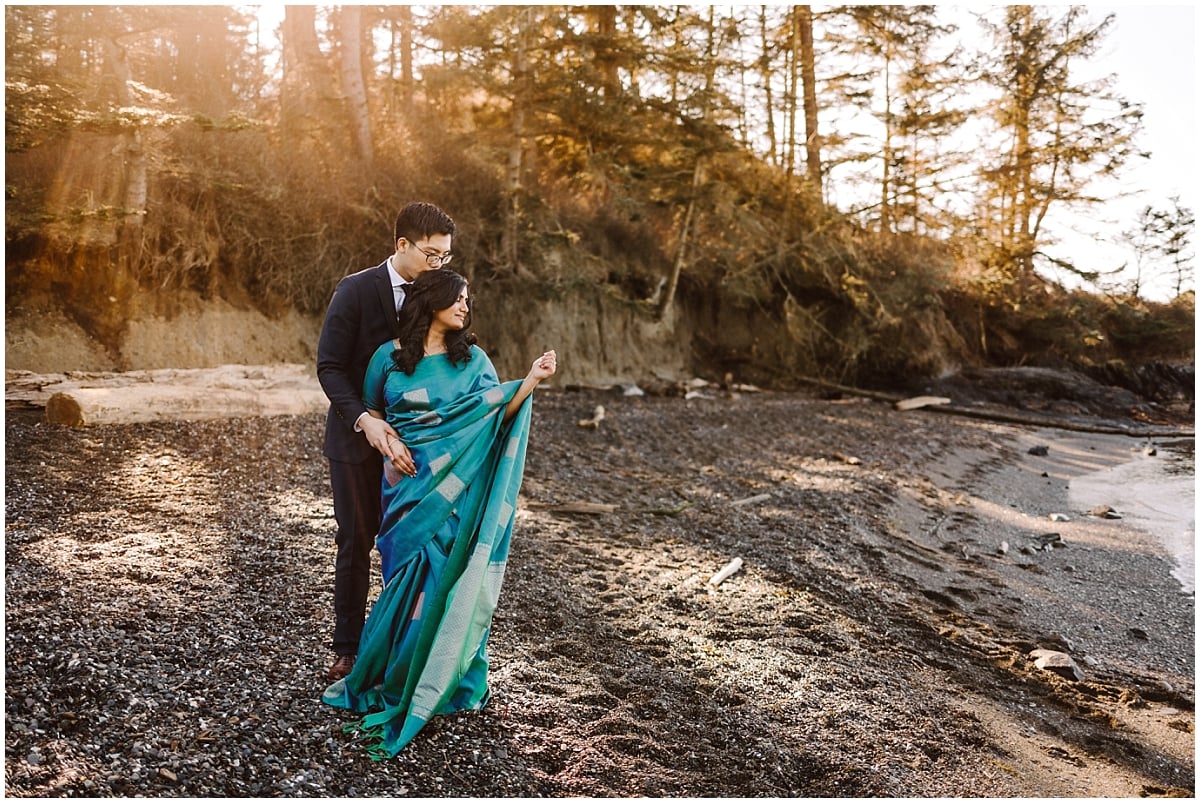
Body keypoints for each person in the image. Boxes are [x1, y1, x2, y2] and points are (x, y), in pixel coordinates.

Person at [321, 268, 557, 758]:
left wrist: (531, 379)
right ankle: (396, 673)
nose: (466, 307)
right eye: (459, 298)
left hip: (456, 491)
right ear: (432, 301)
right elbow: (373, 415)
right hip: (407, 488)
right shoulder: (387, 358)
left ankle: (444, 679)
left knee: (446, 580)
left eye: (469, 300)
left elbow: (496, 415)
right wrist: (389, 444)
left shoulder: (473, 361)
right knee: (404, 581)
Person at [316, 201, 458, 682]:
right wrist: (365, 421)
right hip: (357, 441)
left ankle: (403, 645)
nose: (439, 265)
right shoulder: (355, 290)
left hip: (418, 446)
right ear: (402, 245)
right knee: (356, 540)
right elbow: (329, 367)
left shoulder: (436, 292)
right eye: (432, 254)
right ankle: (349, 649)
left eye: (446, 257)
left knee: (413, 542)